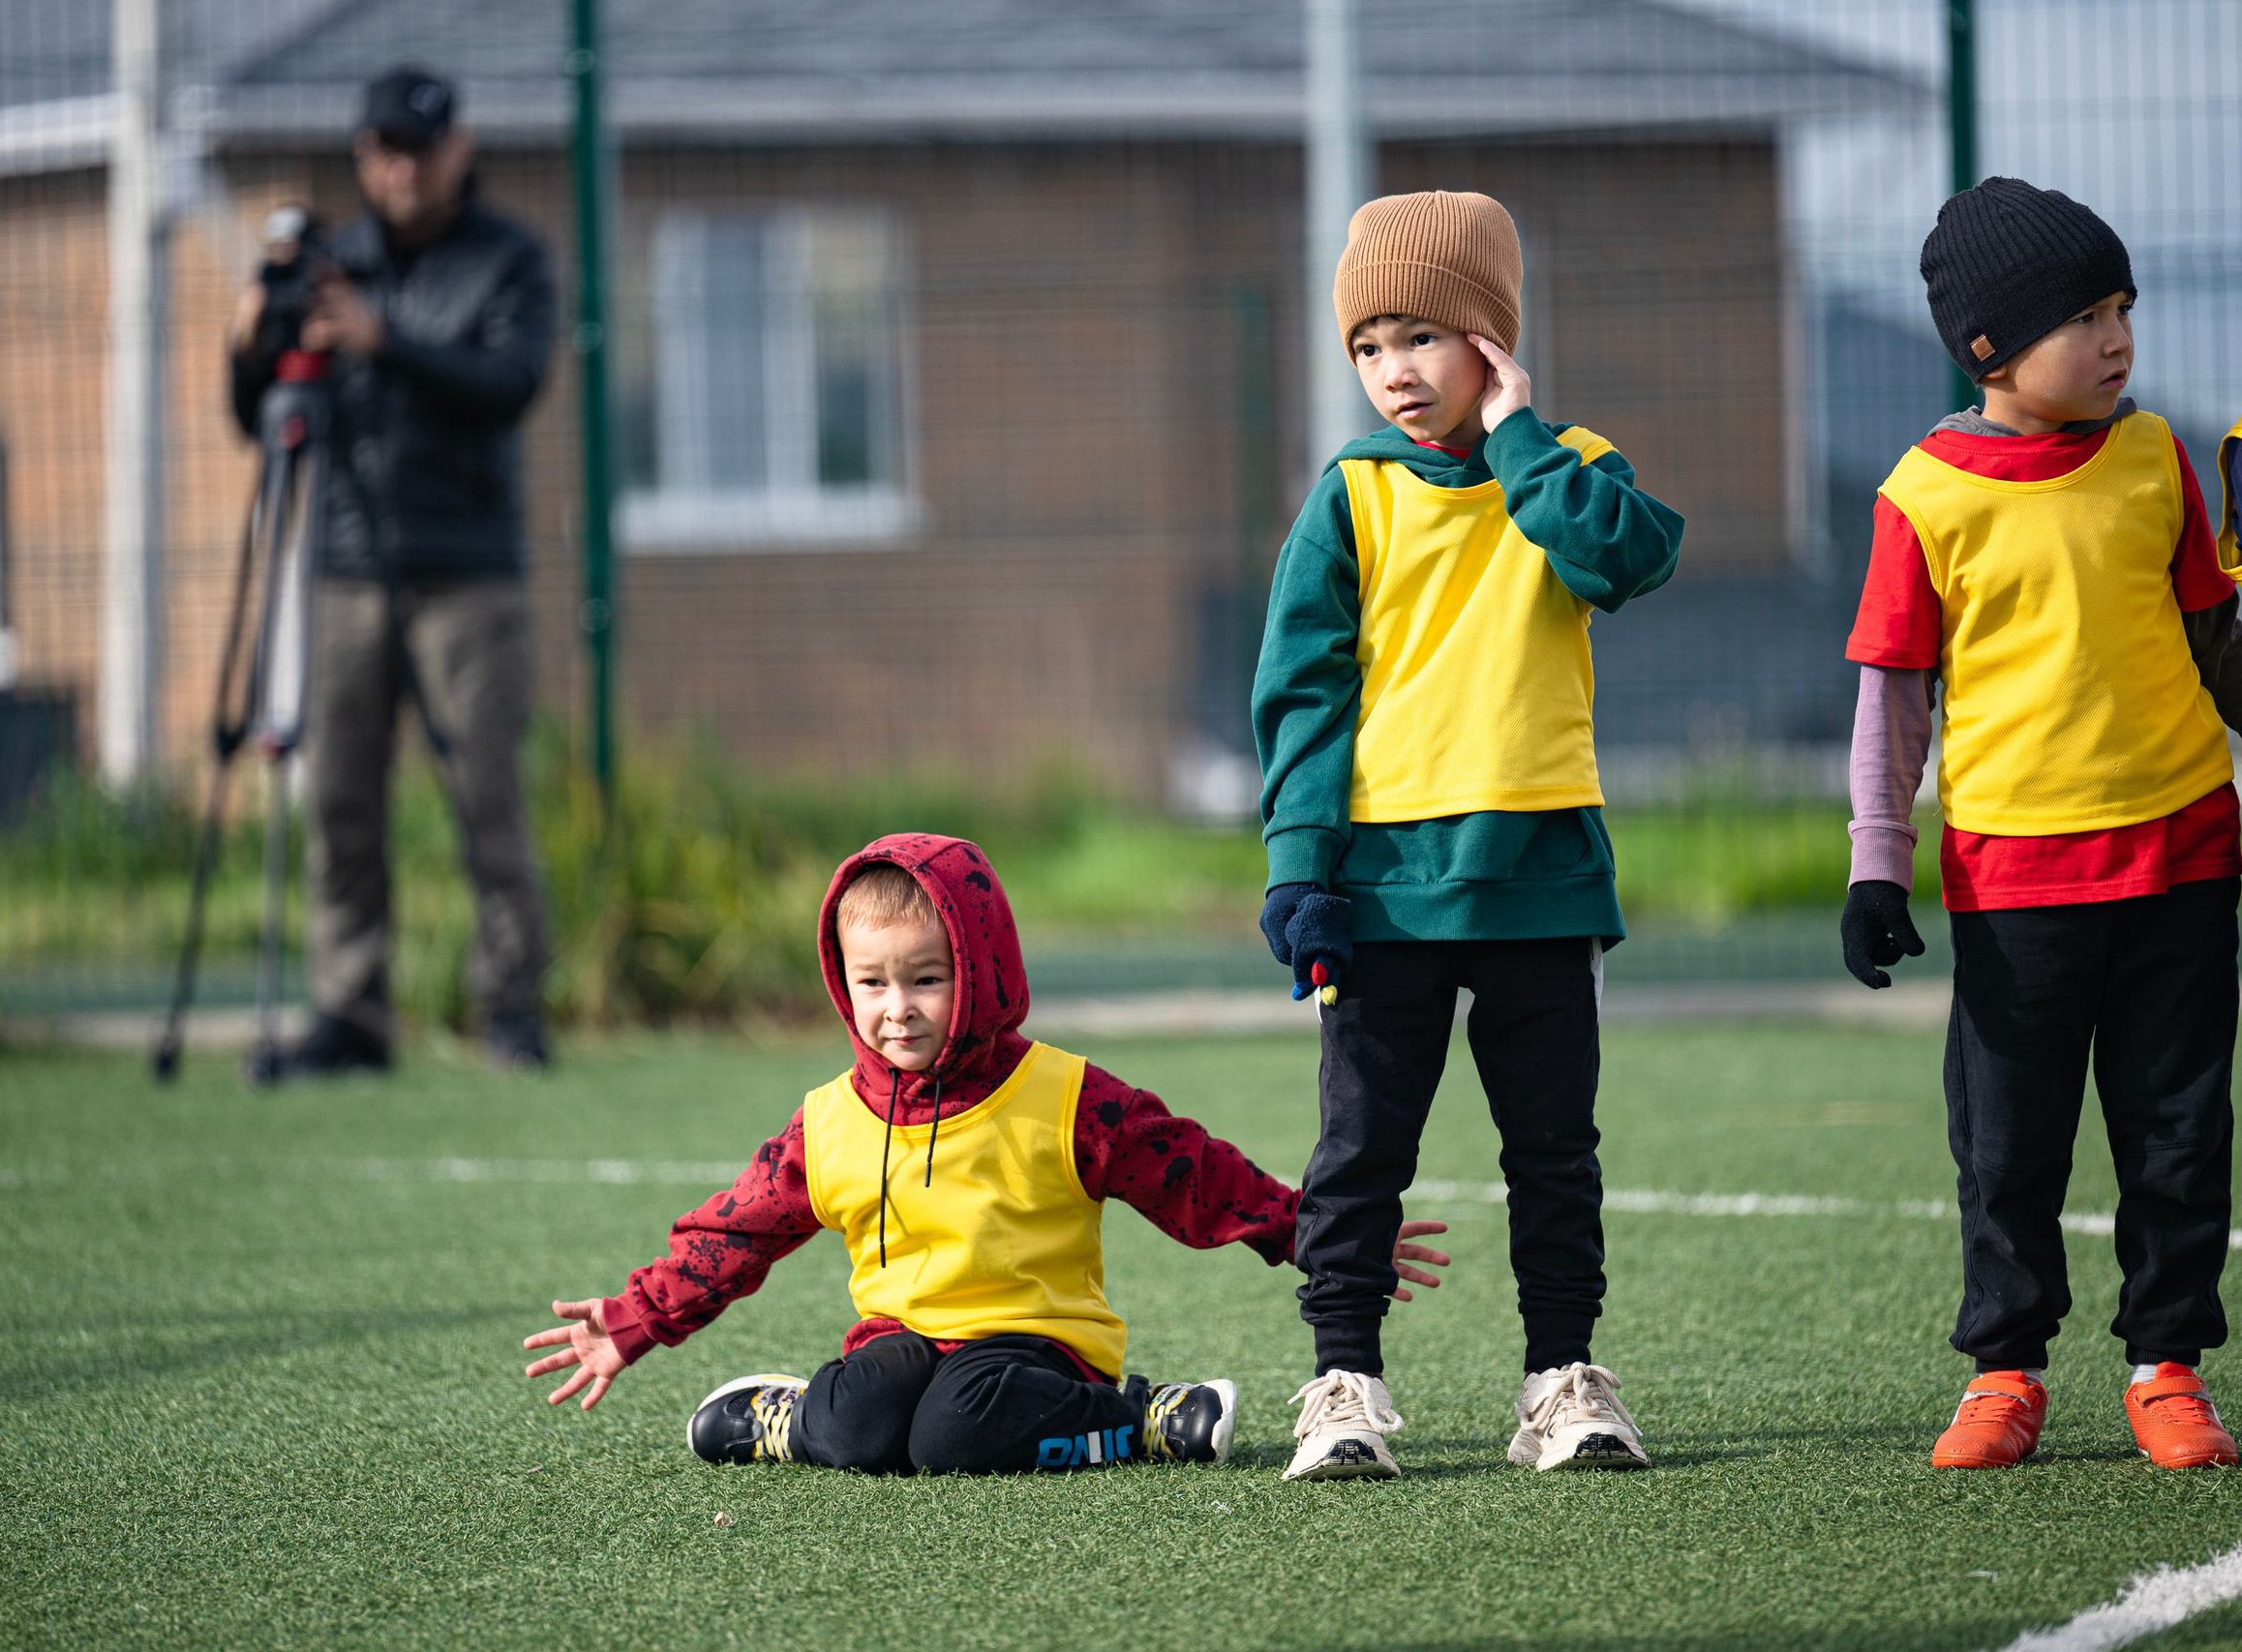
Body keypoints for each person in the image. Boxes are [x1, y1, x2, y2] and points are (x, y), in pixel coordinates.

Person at [523, 833, 1453, 1473]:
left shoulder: (1064, 1094)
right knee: (855, 1428)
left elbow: (1191, 1172)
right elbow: (736, 1234)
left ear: (984, 967)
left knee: (955, 1436)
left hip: (1040, 1349)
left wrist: (1319, 1230)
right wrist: (635, 1318)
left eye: (926, 978)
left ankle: (1143, 1417)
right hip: (901, 1341)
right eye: (873, 982)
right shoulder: (828, 1120)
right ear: (843, 985)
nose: (898, 1008)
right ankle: (782, 1418)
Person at [1252, 191, 1682, 1481]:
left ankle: (1564, 1378)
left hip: (1542, 884)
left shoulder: (1569, 471)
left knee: (1554, 1149)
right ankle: (1343, 1381)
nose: (1393, 370)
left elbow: (1627, 558)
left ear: (1491, 343)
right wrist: (1298, 870)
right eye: (1370, 344)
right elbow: (1303, 692)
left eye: (1424, 337)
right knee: (1359, 1154)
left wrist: (1523, 441)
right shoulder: (1349, 497)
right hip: (1383, 895)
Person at [1840, 177, 2242, 1471]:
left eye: (2125, 305)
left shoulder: (2159, 455)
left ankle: (2165, 1362)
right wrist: (1874, 864)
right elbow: (1893, 697)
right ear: (1988, 350)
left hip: (2184, 856)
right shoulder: (1925, 494)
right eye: (2085, 314)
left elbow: (2222, 657)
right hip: (2014, 880)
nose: (2119, 336)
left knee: (2180, 1133)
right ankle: (2006, 1370)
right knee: (2007, 1144)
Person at [226, 66, 557, 1074]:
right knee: (339, 800)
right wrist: (248, 344)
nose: (398, 168)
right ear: (361, 157)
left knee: (486, 796)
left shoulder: (507, 262)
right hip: (344, 571)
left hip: (466, 572)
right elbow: (261, 419)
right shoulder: (332, 262)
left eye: (416, 148)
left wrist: (386, 341)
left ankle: (510, 1007)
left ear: (457, 150)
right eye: (379, 150)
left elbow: (510, 383)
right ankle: (351, 1012)